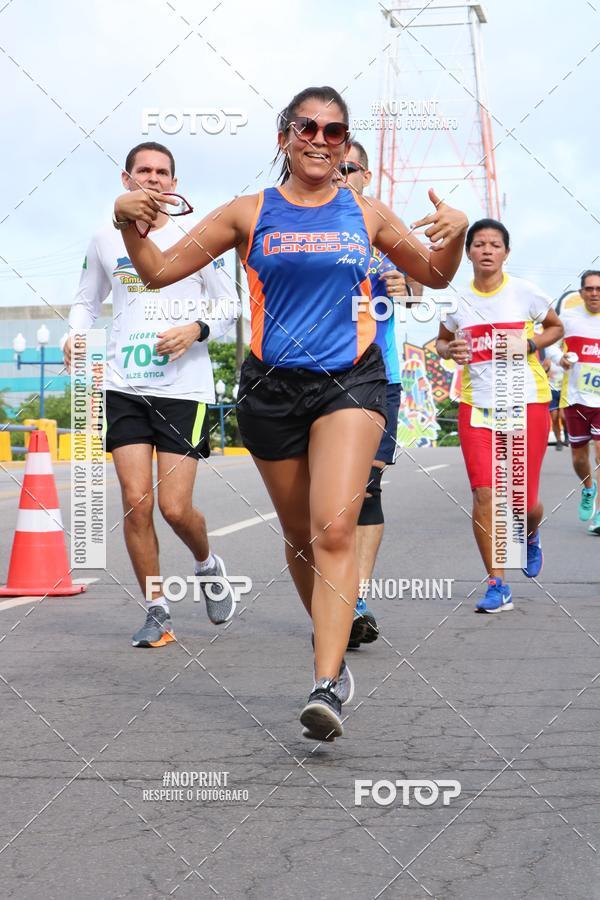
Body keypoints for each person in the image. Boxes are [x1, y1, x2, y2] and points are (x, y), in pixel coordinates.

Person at [112, 86, 468, 741]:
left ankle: (326, 681)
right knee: (303, 537)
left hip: (349, 383)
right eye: (309, 127)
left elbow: (437, 276)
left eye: (336, 132)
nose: (321, 140)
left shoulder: (369, 214)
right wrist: (127, 222)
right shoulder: (249, 213)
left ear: (343, 145)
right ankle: (327, 636)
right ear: (285, 137)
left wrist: (456, 236)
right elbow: (159, 270)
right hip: (271, 389)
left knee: (334, 527)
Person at [65, 142, 241, 647]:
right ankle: (157, 610)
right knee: (135, 501)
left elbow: (230, 305)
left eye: (163, 172)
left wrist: (196, 329)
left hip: (184, 388)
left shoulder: (196, 237)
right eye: (145, 171)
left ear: (174, 183)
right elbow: (85, 300)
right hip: (123, 384)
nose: (154, 179)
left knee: (175, 508)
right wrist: (74, 333)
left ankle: (208, 565)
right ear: (128, 180)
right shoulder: (104, 239)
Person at [436, 219, 564, 612]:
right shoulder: (457, 300)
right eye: (478, 244)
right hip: (478, 407)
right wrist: (448, 351)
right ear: (469, 253)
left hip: (527, 403)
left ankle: (529, 534)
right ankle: (497, 583)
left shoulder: (524, 292)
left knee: (523, 503)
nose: (487, 250)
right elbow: (441, 341)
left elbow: (555, 327)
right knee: (485, 495)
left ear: (506, 253)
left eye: (494, 244)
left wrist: (530, 342)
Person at [334, 140, 422, 650]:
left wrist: (402, 282)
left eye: (351, 168)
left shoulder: (383, 226)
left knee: (366, 486)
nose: (342, 175)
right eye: (334, 166)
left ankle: (355, 598)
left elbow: (420, 289)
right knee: (322, 498)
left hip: (377, 375)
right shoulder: (305, 224)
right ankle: (334, 591)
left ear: (367, 174)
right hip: (316, 375)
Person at [546, 270, 600, 533]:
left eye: (599, 289)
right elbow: (552, 346)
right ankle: (589, 488)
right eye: (589, 289)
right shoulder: (569, 319)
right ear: (581, 293)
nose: (594, 293)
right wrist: (560, 359)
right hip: (575, 399)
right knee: (580, 458)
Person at [542, 353, 567, 450]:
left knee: (563, 416)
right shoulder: (548, 360)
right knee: (554, 418)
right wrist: (547, 373)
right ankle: (559, 441)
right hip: (552, 391)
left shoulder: (566, 358)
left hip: (564, 391)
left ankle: (566, 434)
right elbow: (541, 373)